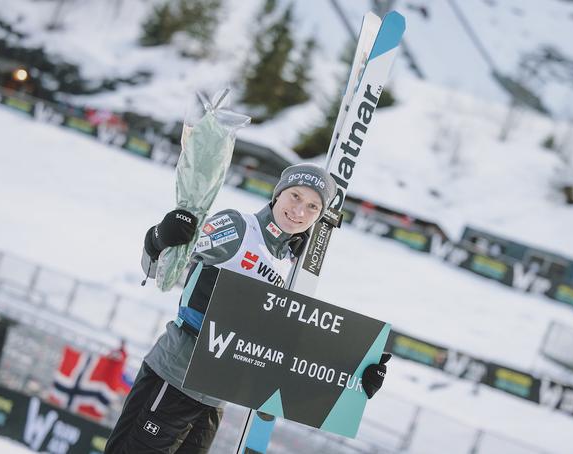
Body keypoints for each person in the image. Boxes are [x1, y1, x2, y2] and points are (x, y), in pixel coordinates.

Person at [105, 163, 390, 453]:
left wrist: (356, 379)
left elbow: (287, 351)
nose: (300, 211)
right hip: (174, 379)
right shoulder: (238, 228)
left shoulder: (292, 268)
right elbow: (161, 268)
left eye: (313, 206)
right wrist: (160, 238)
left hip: (214, 402)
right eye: (295, 196)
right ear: (278, 194)